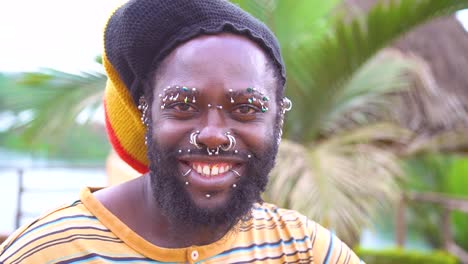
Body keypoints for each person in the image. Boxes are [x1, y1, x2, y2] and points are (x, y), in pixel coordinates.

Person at [0, 0, 364, 263]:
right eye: (183, 106)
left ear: (278, 122)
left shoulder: (303, 249)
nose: (213, 134)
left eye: (246, 109)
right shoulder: (48, 251)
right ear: (146, 114)